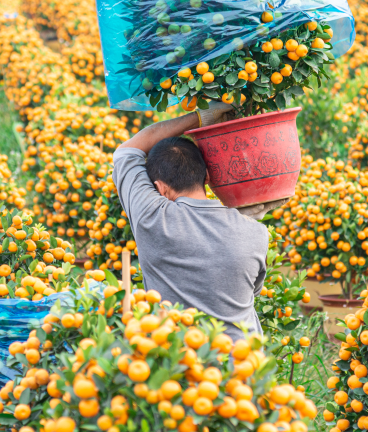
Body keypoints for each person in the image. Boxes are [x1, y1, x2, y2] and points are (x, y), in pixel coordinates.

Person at [112, 103, 285, 340]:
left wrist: (200, 118)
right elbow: (250, 291)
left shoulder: (150, 218)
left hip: (179, 361)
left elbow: (126, 151)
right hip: (246, 364)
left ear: (160, 189)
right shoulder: (256, 233)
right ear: (207, 176)